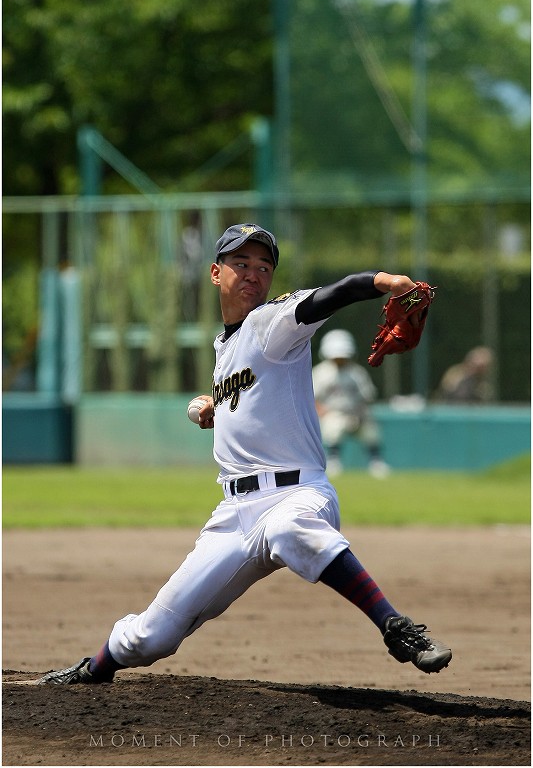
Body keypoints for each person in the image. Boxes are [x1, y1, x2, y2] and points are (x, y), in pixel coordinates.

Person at [39, 223, 452, 686]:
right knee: (151, 637)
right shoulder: (227, 344)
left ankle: (396, 628)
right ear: (216, 273)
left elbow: (331, 296)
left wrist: (385, 283)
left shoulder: (271, 321)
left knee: (290, 528)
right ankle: (93, 668)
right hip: (233, 513)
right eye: (241, 263)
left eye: (264, 266)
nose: (254, 273)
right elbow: (253, 391)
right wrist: (215, 405)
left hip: (298, 493)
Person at [313, 329, 390, 478]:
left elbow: (367, 397)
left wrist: (361, 413)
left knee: (370, 429)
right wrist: (323, 412)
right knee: (333, 427)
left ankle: (376, 461)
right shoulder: (320, 373)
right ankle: (333, 460)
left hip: (355, 413)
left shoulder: (357, 373)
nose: (340, 359)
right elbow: (312, 399)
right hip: (333, 413)